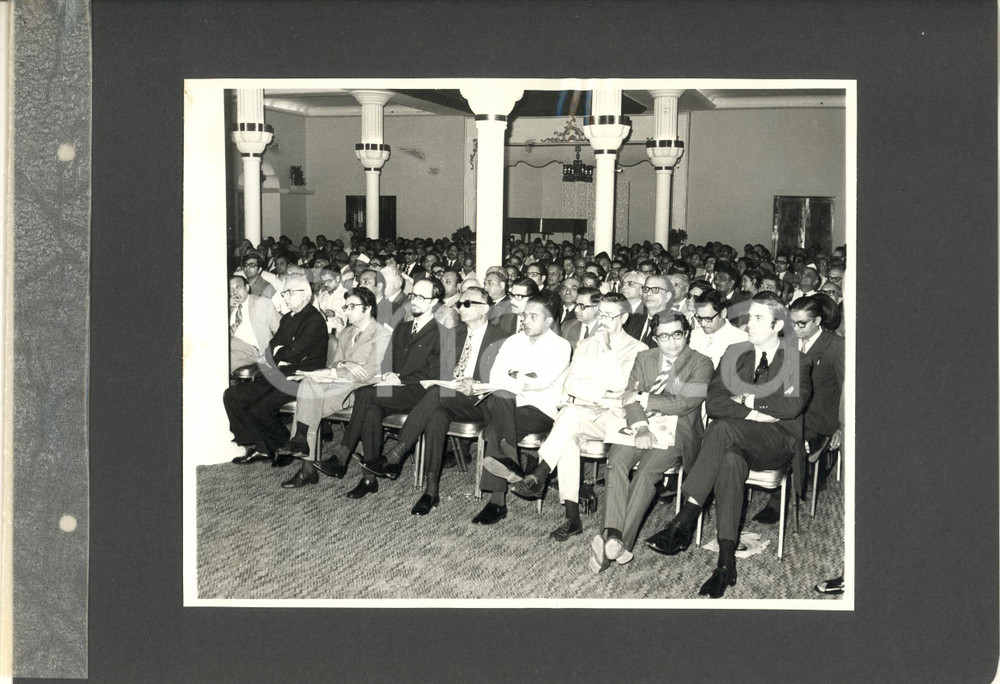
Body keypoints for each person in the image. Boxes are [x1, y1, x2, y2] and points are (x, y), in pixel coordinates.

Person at [644, 292, 812, 598]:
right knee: (730, 457)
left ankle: (685, 519)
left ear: (777, 325)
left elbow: (791, 407)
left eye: (759, 318)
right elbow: (716, 401)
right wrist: (756, 412)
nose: (749, 322)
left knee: (721, 430)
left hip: (777, 442)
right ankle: (725, 563)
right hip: (737, 439)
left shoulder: (795, 358)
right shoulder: (735, 352)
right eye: (749, 316)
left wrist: (747, 398)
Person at [511, 293, 647, 541]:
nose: (603, 320)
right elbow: (571, 384)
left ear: (625, 317)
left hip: (616, 419)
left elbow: (621, 385)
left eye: (610, 315)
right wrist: (602, 394)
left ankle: (540, 474)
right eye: (601, 314)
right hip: (584, 413)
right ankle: (572, 517)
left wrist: (605, 352)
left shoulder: (639, 349)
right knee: (569, 435)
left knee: (570, 417)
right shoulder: (584, 344)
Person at [590, 312, 713, 573]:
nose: (671, 342)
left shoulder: (701, 363)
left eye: (677, 334)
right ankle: (613, 536)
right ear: (655, 337)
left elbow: (685, 403)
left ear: (686, 333)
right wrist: (642, 426)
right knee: (616, 462)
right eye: (663, 336)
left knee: (646, 474)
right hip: (641, 425)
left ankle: (620, 541)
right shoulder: (644, 357)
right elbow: (628, 398)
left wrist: (643, 397)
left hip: (678, 431)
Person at [371, 286, 511, 514]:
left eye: (468, 304)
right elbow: (442, 370)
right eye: (460, 303)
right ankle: (431, 490)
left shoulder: (502, 338)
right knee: (436, 415)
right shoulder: (454, 335)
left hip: (480, 402)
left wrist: (474, 384)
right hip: (450, 397)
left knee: (436, 393)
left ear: (485, 308)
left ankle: (398, 451)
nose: (461, 308)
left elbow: (502, 378)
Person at [329, 277, 451, 499]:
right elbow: (387, 360)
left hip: (420, 394)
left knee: (365, 393)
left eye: (422, 297)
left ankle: (343, 454)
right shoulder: (402, 328)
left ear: (434, 302)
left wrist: (399, 380)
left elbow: (434, 376)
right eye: (414, 295)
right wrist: (387, 374)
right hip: (394, 389)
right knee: (372, 410)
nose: (414, 301)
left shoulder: (443, 334)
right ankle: (369, 478)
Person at [277, 286, 392, 487]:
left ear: (368, 308)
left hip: (359, 391)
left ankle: (305, 461)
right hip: (336, 384)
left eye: (351, 307)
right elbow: (336, 363)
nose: (346, 311)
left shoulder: (381, 334)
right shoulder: (347, 332)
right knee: (308, 384)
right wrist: (347, 365)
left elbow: (369, 372)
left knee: (307, 406)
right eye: (345, 306)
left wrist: (342, 369)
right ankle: (303, 448)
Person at [474, 293, 572, 525]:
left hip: (539, 410)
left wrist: (514, 374)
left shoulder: (561, 346)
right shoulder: (513, 341)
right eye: (525, 315)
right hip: (506, 403)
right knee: (500, 398)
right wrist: (522, 378)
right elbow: (497, 375)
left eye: (533, 317)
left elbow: (542, 381)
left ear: (548, 321)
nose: (525, 320)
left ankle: (497, 501)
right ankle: (515, 470)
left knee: (496, 423)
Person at [753, 293, 844, 523]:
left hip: (819, 415)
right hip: (790, 408)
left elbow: (848, 391)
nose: (795, 328)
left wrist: (842, 427)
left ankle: (777, 499)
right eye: (792, 322)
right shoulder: (789, 342)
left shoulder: (835, 347)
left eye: (801, 324)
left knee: (787, 435)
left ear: (818, 321)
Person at [223, 274, 328, 466]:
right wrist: (280, 352)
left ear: (304, 295)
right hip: (279, 373)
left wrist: (279, 352)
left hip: (302, 379)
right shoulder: (288, 317)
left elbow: (294, 354)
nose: (284, 297)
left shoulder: (315, 320)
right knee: (233, 395)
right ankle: (258, 446)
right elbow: (273, 346)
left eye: (288, 293)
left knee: (261, 408)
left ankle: (281, 446)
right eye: (284, 293)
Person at [228, 275, 281, 373]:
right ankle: (256, 362)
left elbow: (281, 331)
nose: (234, 292)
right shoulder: (227, 307)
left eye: (238, 287)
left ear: (247, 288)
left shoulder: (263, 303)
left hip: (254, 350)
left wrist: (270, 354)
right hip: (234, 349)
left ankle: (260, 360)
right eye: (230, 289)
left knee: (221, 362)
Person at [688, 289, 750, 369]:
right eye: (699, 318)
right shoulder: (692, 336)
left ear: (723, 313)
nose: (703, 324)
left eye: (708, 318)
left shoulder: (741, 340)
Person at [624, 274, 676, 347]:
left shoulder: (673, 324)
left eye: (655, 289)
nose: (648, 293)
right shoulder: (634, 318)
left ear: (667, 296)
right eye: (646, 289)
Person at [559, 286, 600, 354]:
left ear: (596, 308)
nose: (576, 310)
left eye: (581, 306)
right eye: (576, 304)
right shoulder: (567, 326)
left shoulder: (605, 330)